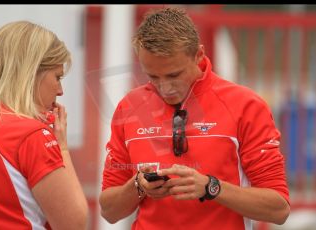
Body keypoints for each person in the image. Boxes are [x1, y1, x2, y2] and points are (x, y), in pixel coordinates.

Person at [99, 7, 290, 230]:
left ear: (199, 55)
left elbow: (279, 209)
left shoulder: (245, 106)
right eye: (153, 77)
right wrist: (138, 186)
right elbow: (109, 211)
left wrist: (211, 187)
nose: (165, 88)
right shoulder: (130, 107)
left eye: (174, 75)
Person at [0, 21, 88, 229]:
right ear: (32, 73)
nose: (60, 91)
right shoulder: (30, 134)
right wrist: (61, 147)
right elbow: (74, 224)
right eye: (57, 77)